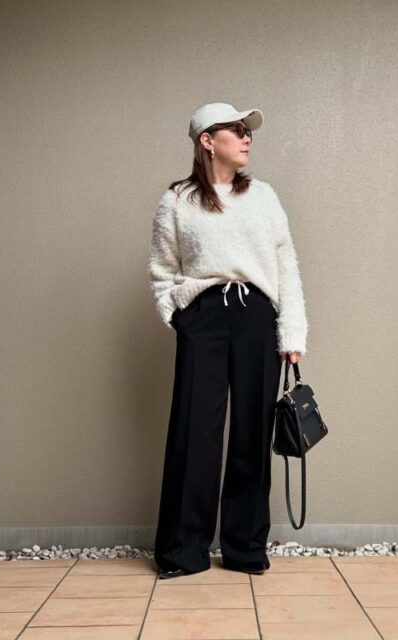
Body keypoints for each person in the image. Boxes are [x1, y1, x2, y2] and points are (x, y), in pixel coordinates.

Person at [147, 102, 309, 579]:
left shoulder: (263, 196)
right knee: (193, 429)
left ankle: (245, 547)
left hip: (256, 315)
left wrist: (292, 330)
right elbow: (162, 268)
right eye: (236, 130)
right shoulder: (177, 200)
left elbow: (287, 266)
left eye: (247, 130)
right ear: (207, 140)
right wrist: (176, 313)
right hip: (203, 314)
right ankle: (182, 551)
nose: (246, 137)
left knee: (253, 431)